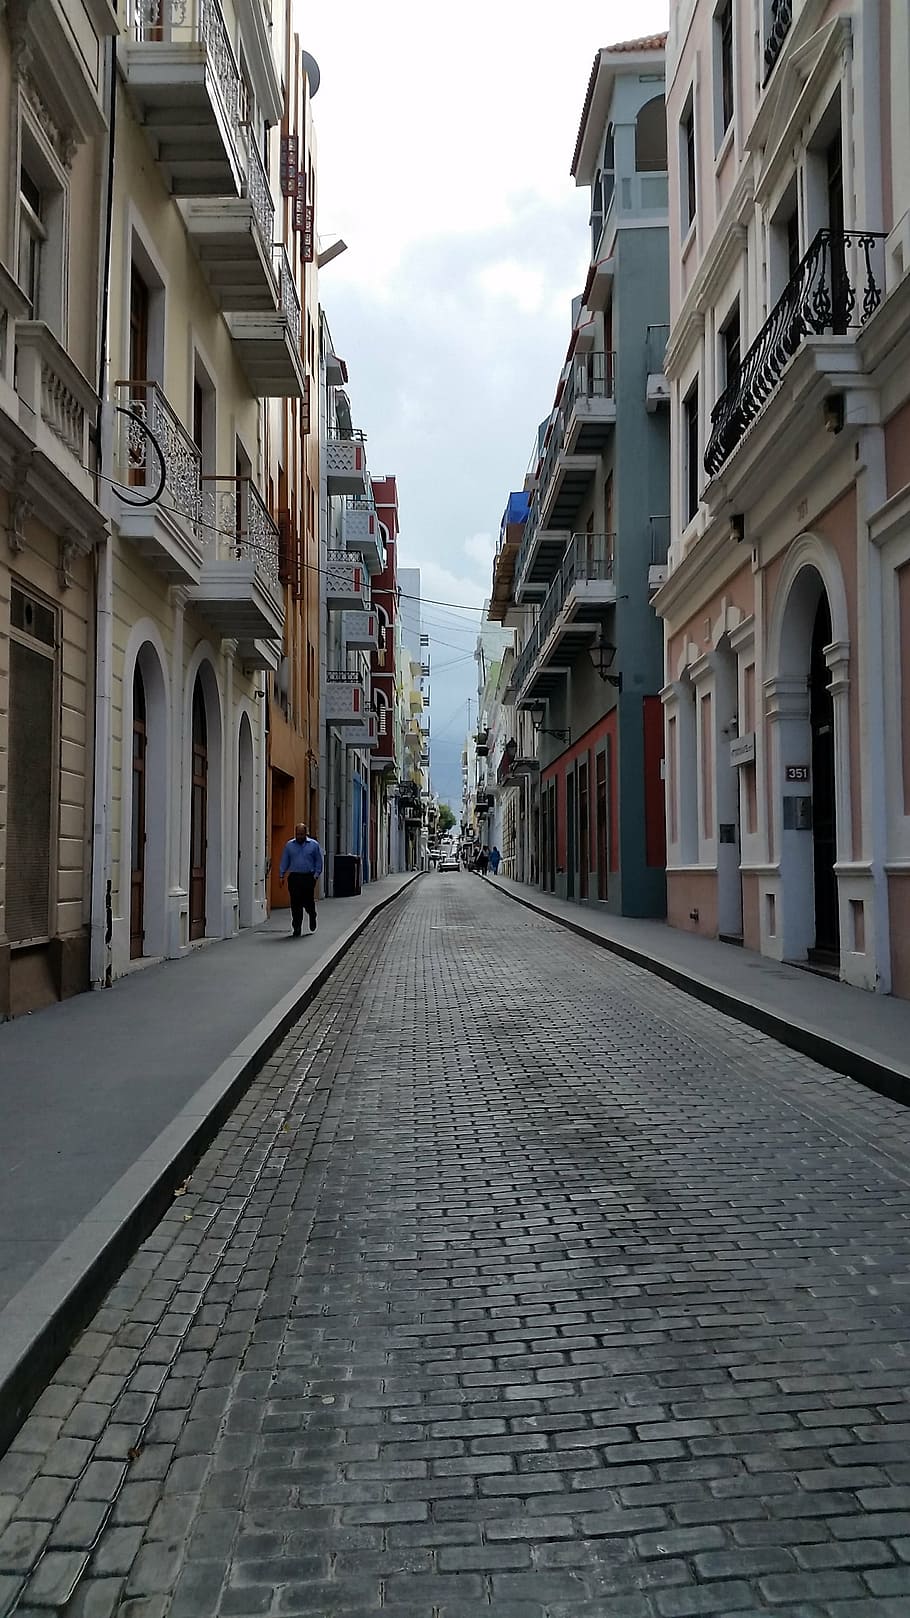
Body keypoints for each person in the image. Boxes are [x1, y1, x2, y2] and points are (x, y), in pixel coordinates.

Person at [279, 823, 324, 936]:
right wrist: (281, 875)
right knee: (295, 903)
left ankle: (312, 914)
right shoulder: (289, 845)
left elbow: (318, 861)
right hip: (294, 877)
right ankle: (297, 927)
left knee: (308, 901)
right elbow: (285, 861)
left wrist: (316, 875)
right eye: (297, 834)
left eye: (301, 834)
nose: (299, 836)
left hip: (308, 877)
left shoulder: (313, 845)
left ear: (306, 833)